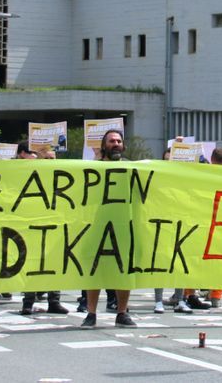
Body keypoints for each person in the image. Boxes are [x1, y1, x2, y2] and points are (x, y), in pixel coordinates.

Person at [81, 129, 137, 328]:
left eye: (119, 141)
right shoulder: (92, 168)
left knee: (124, 270)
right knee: (95, 269)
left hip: (123, 224)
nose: (116, 144)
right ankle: (91, 313)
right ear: (104, 146)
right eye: (111, 141)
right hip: (96, 225)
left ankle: (122, 312)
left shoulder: (131, 168)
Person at [17, 141, 70, 316]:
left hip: (56, 225)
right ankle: (28, 301)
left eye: (52, 158)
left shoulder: (62, 177)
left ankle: (54, 300)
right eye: (46, 158)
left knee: (55, 262)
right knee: (33, 263)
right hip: (34, 225)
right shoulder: (30, 177)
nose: (50, 161)